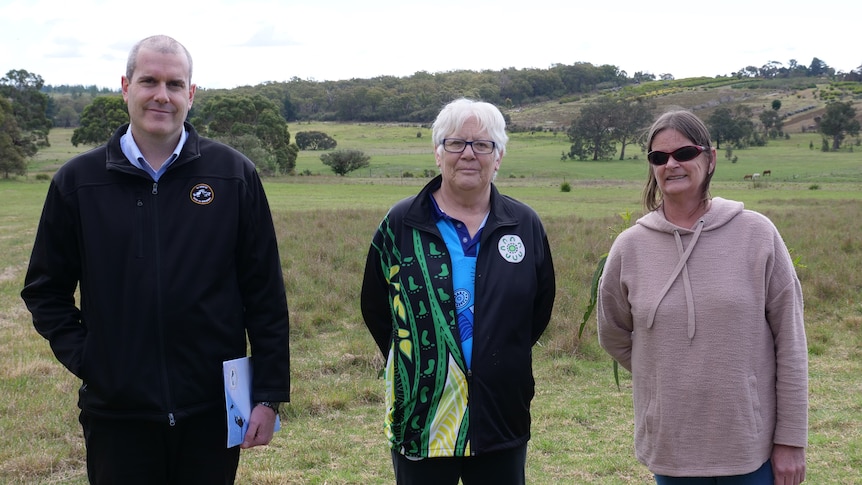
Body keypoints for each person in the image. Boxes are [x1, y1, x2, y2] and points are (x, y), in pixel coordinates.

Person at [20, 35, 290, 484]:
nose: (161, 95)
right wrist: (93, 360)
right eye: (149, 81)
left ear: (191, 94)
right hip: (117, 415)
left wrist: (268, 394)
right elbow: (44, 291)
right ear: (126, 87)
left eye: (174, 84)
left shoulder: (233, 175)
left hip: (211, 412)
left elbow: (264, 294)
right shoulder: (78, 182)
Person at [597, 109, 808, 484]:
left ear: (709, 158)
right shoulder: (630, 247)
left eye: (684, 153)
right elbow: (613, 333)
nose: (671, 164)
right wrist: (665, 377)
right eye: (659, 157)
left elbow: (790, 344)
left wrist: (791, 441)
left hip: (749, 446)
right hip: (671, 446)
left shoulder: (757, 234)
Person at [360, 98, 556, 485]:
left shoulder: (524, 224)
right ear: (438, 153)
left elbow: (537, 310)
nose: (469, 154)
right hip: (423, 417)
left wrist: (493, 354)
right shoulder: (401, 223)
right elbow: (375, 307)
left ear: (498, 157)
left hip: (500, 414)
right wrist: (418, 359)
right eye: (456, 143)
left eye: (482, 145)